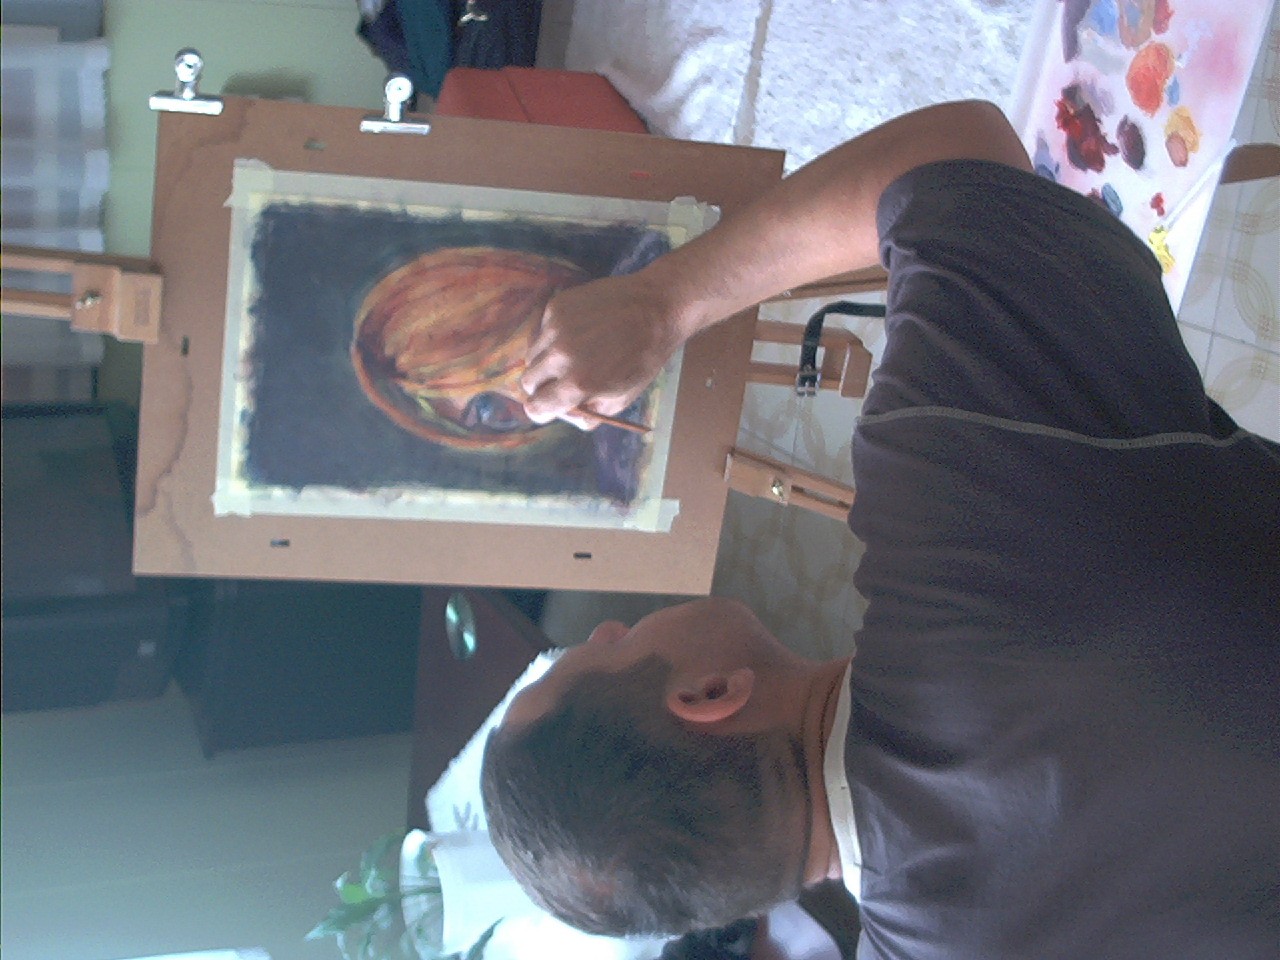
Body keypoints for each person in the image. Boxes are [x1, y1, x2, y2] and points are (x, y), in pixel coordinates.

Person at [479, 100, 1280, 958]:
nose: (606, 625)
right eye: (602, 648)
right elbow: (951, 159)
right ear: (709, 696)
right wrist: (659, 302)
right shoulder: (957, 514)